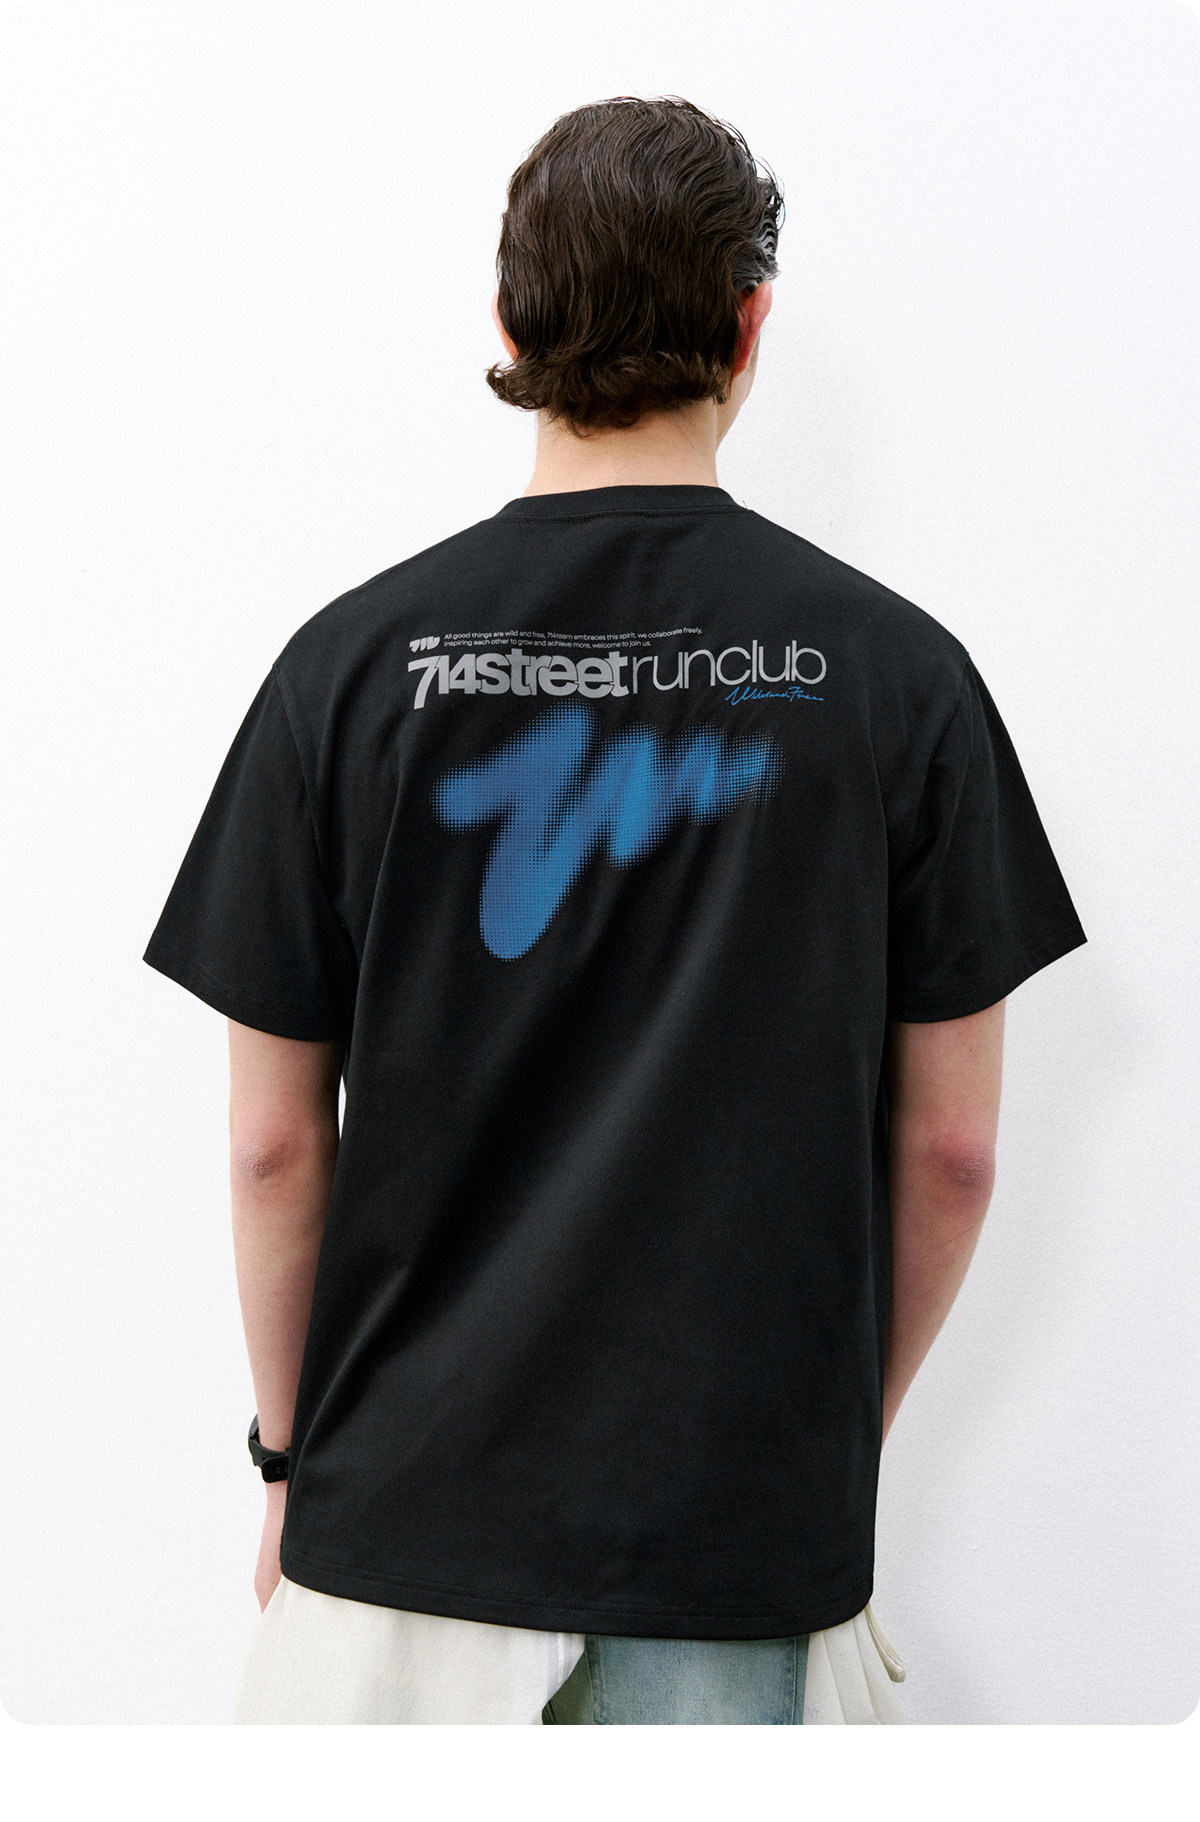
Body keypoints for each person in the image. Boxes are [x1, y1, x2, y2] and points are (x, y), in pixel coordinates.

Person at [143, 95, 1087, 1726]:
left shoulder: (346, 671)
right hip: (738, 1552)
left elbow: (275, 1143)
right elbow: (952, 1150)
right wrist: (809, 1446)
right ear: (748, 327)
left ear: (509, 326)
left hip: (398, 1552)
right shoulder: (900, 678)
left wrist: (290, 1464)